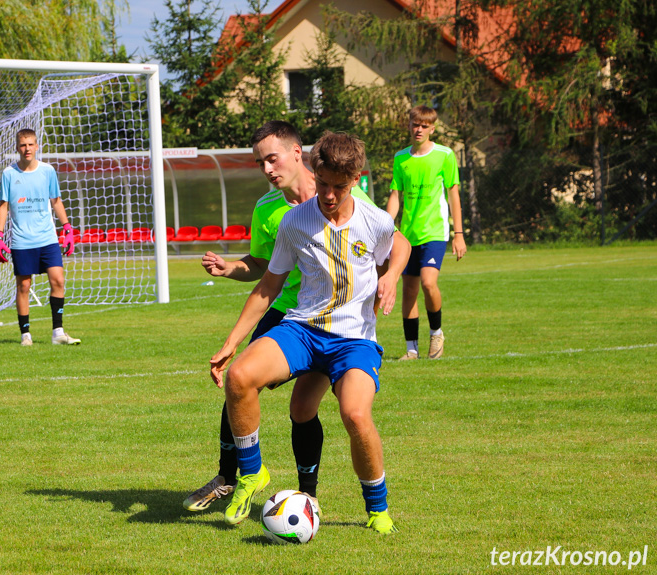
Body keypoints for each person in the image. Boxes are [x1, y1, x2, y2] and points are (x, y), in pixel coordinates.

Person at [210, 131, 411, 533]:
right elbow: (269, 285)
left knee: (354, 414)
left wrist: (391, 277)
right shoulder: (294, 221)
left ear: (355, 180)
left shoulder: (374, 221)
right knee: (240, 377)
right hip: (303, 329)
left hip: (354, 340)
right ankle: (252, 473)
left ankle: (377, 507)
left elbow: (399, 244)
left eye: (339, 186)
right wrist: (231, 343)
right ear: (313, 172)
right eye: (323, 184)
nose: (329, 194)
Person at [183, 121, 376, 513]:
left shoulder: (343, 190)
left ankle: (309, 494)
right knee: (240, 381)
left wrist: (384, 282)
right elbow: (261, 266)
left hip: (337, 321)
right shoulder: (267, 209)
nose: (268, 169)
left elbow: (383, 240)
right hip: (287, 314)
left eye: (272, 158)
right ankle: (230, 476)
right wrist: (228, 268)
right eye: (260, 163)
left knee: (304, 410)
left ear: (296, 152)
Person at [386, 105, 467, 360]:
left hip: (435, 231)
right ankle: (411, 349)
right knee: (408, 291)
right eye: (414, 124)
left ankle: (436, 333)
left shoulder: (445, 155)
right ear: (409, 125)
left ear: (432, 128)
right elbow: (395, 196)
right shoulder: (401, 158)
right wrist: (387, 228)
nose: (418, 129)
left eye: (424, 125)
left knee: (428, 282)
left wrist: (459, 233)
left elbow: (453, 194)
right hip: (408, 235)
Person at [0, 128, 81, 346]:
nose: (27, 149)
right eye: (23, 145)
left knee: (58, 280)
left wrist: (68, 229)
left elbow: (56, 201)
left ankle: (58, 333)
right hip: (22, 241)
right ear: (17, 147)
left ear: (37, 146)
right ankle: (25, 335)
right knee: (23, 286)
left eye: (31, 144)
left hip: (47, 238)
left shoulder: (48, 171)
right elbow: (3, 206)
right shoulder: (9, 174)